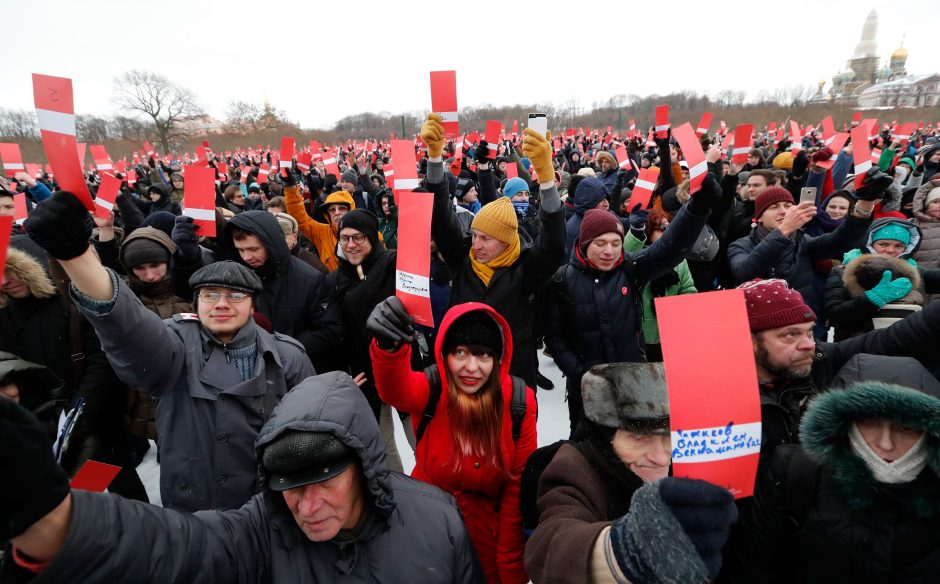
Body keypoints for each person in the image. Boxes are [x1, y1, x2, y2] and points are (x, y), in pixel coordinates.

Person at [0, 372, 485, 583]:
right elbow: (175, 546)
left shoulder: (437, 518)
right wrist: (57, 523)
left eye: (324, 482)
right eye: (289, 488)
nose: (307, 508)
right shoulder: (262, 532)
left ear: (362, 466)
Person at [23, 191, 316, 512]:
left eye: (235, 296)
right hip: (197, 511)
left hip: (269, 507)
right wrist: (76, 257)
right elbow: (128, 327)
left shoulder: (289, 356)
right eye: (210, 295)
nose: (221, 303)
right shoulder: (176, 345)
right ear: (196, 303)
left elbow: (310, 431)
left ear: (252, 304)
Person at [722, 354, 940, 582]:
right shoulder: (795, 473)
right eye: (869, 422)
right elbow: (751, 568)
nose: (885, 443)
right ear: (846, 423)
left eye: (905, 428)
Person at [368, 298, 537, 584]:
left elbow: (516, 487)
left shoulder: (519, 402)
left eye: (483, 355)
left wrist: (509, 570)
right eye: (460, 352)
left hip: (488, 537)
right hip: (426, 529)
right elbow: (395, 391)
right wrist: (389, 348)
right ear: (444, 354)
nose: (471, 367)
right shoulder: (434, 387)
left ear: (498, 360)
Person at [524, 362, 738, 584]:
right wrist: (623, 549)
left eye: (669, 436)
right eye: (638, 438)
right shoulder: (574, 468)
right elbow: (549, 545)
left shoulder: (688, 462)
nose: (661, 458)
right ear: (604, 438)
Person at [546, 171, 718, 436]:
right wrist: (580, 372)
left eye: (616, 243)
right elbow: (555, 337)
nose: (609, 251)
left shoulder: (631, 269)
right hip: (587, 387)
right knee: (587, 448)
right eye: (600, 243)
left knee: (634, 445)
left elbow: (671, 247)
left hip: (633, 382)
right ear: (584, 244)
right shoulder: (563, 280)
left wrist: (698, 207)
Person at [424, 113, 566, 390]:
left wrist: (547, 179)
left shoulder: (525, 269)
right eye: (475, 235)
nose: (476, 245)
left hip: (513, 384)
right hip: (464, 380)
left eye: (486, 239)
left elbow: (554, 246)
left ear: (505, 241)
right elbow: (441, 219)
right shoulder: (463, 259)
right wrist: (434, 159)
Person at [739, 277, 940, 467]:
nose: (809, 345)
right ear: (751, 341)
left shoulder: (823, 359)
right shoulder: (722, 398)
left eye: (809, 331)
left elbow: (895, 339)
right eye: (791, 335)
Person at [728, 170, 888, 330]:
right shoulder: (740, 245)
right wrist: (783, 230)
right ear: (759, 217)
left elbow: (840, 241)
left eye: (788, 206)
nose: (783, 211)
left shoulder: (803, 241)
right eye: (774, 207)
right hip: (759, 326)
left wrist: (865, 203)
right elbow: (745, 272)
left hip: (800, 324)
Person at [218, 210, 342, 371]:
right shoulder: (238, 277)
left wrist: (283, 347)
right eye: (240, 250)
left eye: (253, 249)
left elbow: (331, 330)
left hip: (293, 369)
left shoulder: (310, 279)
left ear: (271, 244)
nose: (246, 257)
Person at [825, 218, 940, 340]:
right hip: (858, 342)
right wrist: (873, 298)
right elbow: (835, 316)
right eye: (883, 244)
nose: (890, 250)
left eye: (899, 246)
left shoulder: (912, 269)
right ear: (869, 244)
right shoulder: (842, 270)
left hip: (903, 341)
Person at [623, 207, 698, 361]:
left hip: (670, 332)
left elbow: (689, 288)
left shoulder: (679, 259)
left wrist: (675, 305)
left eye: (669, 226)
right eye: (662, 228)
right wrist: (636, 231)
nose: (667, 231)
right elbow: (625, 255)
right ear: (650, 231)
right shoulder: (638, 258)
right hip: (640, 335)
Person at [284, 172, 355, 272]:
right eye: (332, 210)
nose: (337, 213)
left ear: (350, 210)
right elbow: (300, 219)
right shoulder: (322, 232)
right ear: (328, 214)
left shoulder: (367, 232)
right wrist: (291, 189)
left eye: (342, 208)